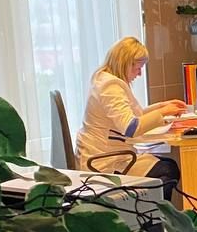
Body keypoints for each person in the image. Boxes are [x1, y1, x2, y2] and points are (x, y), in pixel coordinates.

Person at [76, 37, 184, 200]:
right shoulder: (110, 87)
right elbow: (130, 128)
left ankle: (151, 212)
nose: (139, 74)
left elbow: (133, 116)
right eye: (138, 68)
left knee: (168, 165)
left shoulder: (104, 79)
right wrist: (162, 113)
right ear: (125, 63)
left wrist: (162, 107)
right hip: (105, 162)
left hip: (105, 154)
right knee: (168, 170)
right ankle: (150, 213)